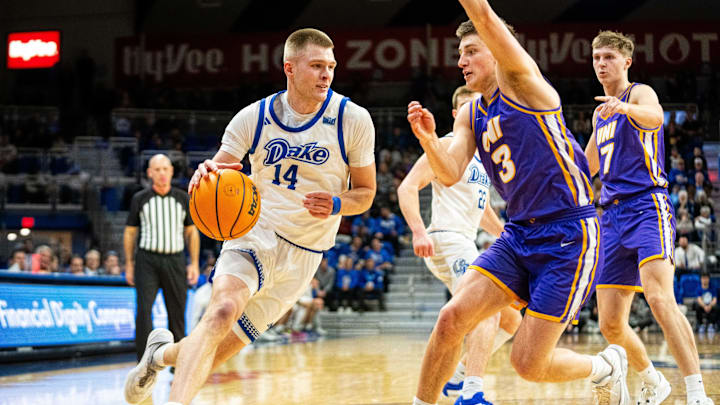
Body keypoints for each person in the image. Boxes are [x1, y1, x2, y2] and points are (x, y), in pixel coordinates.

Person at [123, 28, 376, 405]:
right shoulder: (253, 118)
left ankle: (157, 356)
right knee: (221, 311)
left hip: (305, 253)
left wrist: (338, 204)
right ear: (289, 68)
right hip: (255, 232)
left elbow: (366, 194)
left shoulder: (352, 119)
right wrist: (205, 174)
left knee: (216, 350)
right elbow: (220, 172)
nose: (327, 75)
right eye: (318, 66)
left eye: (332, 67)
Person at [408, 2, 626, 404]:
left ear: (496, 49)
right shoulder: (470, 113)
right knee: (450, 319)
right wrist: (426, 140)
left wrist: (480, 19)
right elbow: (451, 170)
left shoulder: (524, 82)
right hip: (517, 234)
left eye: (471, 51)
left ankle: (607, 367)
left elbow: (485, 16)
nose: (462, 61)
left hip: (568, 234)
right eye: (459, 54)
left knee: (528, 365)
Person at [584, 30, 713, 404]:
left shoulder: (637, 94)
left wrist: (623, 108)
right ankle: (654, 380)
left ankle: (696, 393)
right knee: (609, 322)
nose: (601, 64)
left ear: (626, 62)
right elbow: (585, 166)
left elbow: (655, 117)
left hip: (646, 207)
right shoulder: (599, 113)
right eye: (596, 58)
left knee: (659, 299)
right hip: (610, 218)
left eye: (608, 57)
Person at [398, 85, 521, 403]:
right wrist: (418, 231)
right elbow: (407, 187)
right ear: (456, 115)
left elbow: (483, 213)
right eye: (468, 109)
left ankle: (457, 378)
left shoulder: (480, 157)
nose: (476, 116)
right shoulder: (446, 147)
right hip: (445, 239)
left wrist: (509, 235)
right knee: (485, 307)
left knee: (510, 318)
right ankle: (472, 392)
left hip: (464, 242)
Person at [123, 154, 200, 362]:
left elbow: (191, 232)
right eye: (157, 169)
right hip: (146, 260)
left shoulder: (183, 198)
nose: (162, 173)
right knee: (144, 311)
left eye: (165, 169)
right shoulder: (140, 198)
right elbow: (130, 232)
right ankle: (144, 361)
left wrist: (193, 263)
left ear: (172, 172)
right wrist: (129, 263)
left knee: (177, 312)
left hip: (175, 260)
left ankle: (178, 362)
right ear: (149, 173)